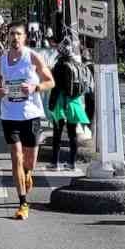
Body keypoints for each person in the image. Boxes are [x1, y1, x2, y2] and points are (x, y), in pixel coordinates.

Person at [0, 24, 54, 221]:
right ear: (7, 37)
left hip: (31, 115)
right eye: (11, 34)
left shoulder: (33, 58)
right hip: (9, 115)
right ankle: (23, 203)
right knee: (16, 157)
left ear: (25, 37)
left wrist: (34, 88)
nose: (15, 37)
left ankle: (28, 172)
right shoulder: (0, 63)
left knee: (29, 160)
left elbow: (50, 81)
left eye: (18, 34)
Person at [46, 38, 91, 170]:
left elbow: (55, 86)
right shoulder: (77, 64)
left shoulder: (59, 65)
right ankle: (72, 163)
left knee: (57, 133)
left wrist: (51, 103)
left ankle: (55, 163)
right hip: (74, 102)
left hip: (61, 102)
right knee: (72, 134)